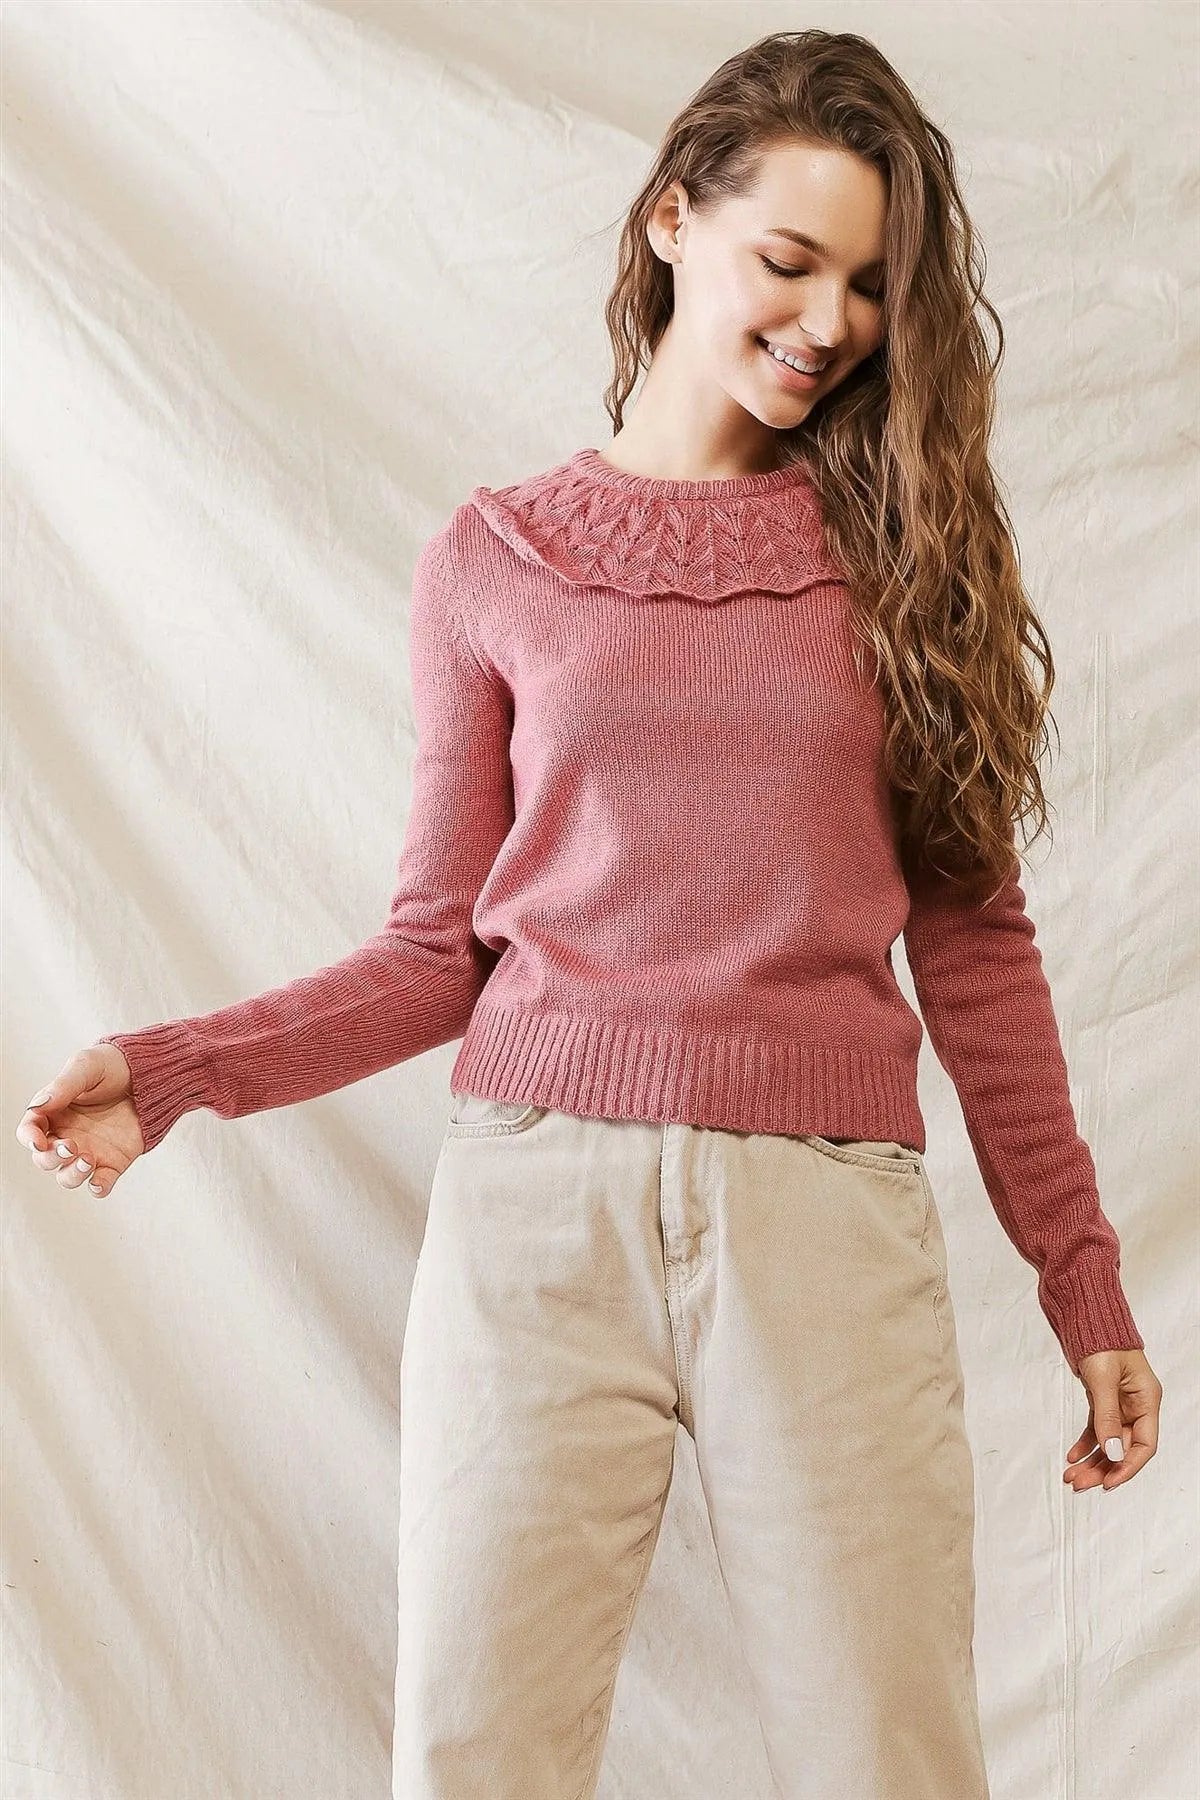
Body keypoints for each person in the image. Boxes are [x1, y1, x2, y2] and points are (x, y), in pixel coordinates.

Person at [16, 27, 1162, 1800]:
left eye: (870, 286)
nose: (831, 320)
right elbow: (437, 953)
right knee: (475, 1760)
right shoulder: (496, 561)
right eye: (792, 260)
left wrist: (1082, 1280)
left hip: (826, 1223)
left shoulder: (903, 558)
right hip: (533, 1219)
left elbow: (976, 953)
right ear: (670, 221)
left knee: (890, 1763)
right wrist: (175, 1071)